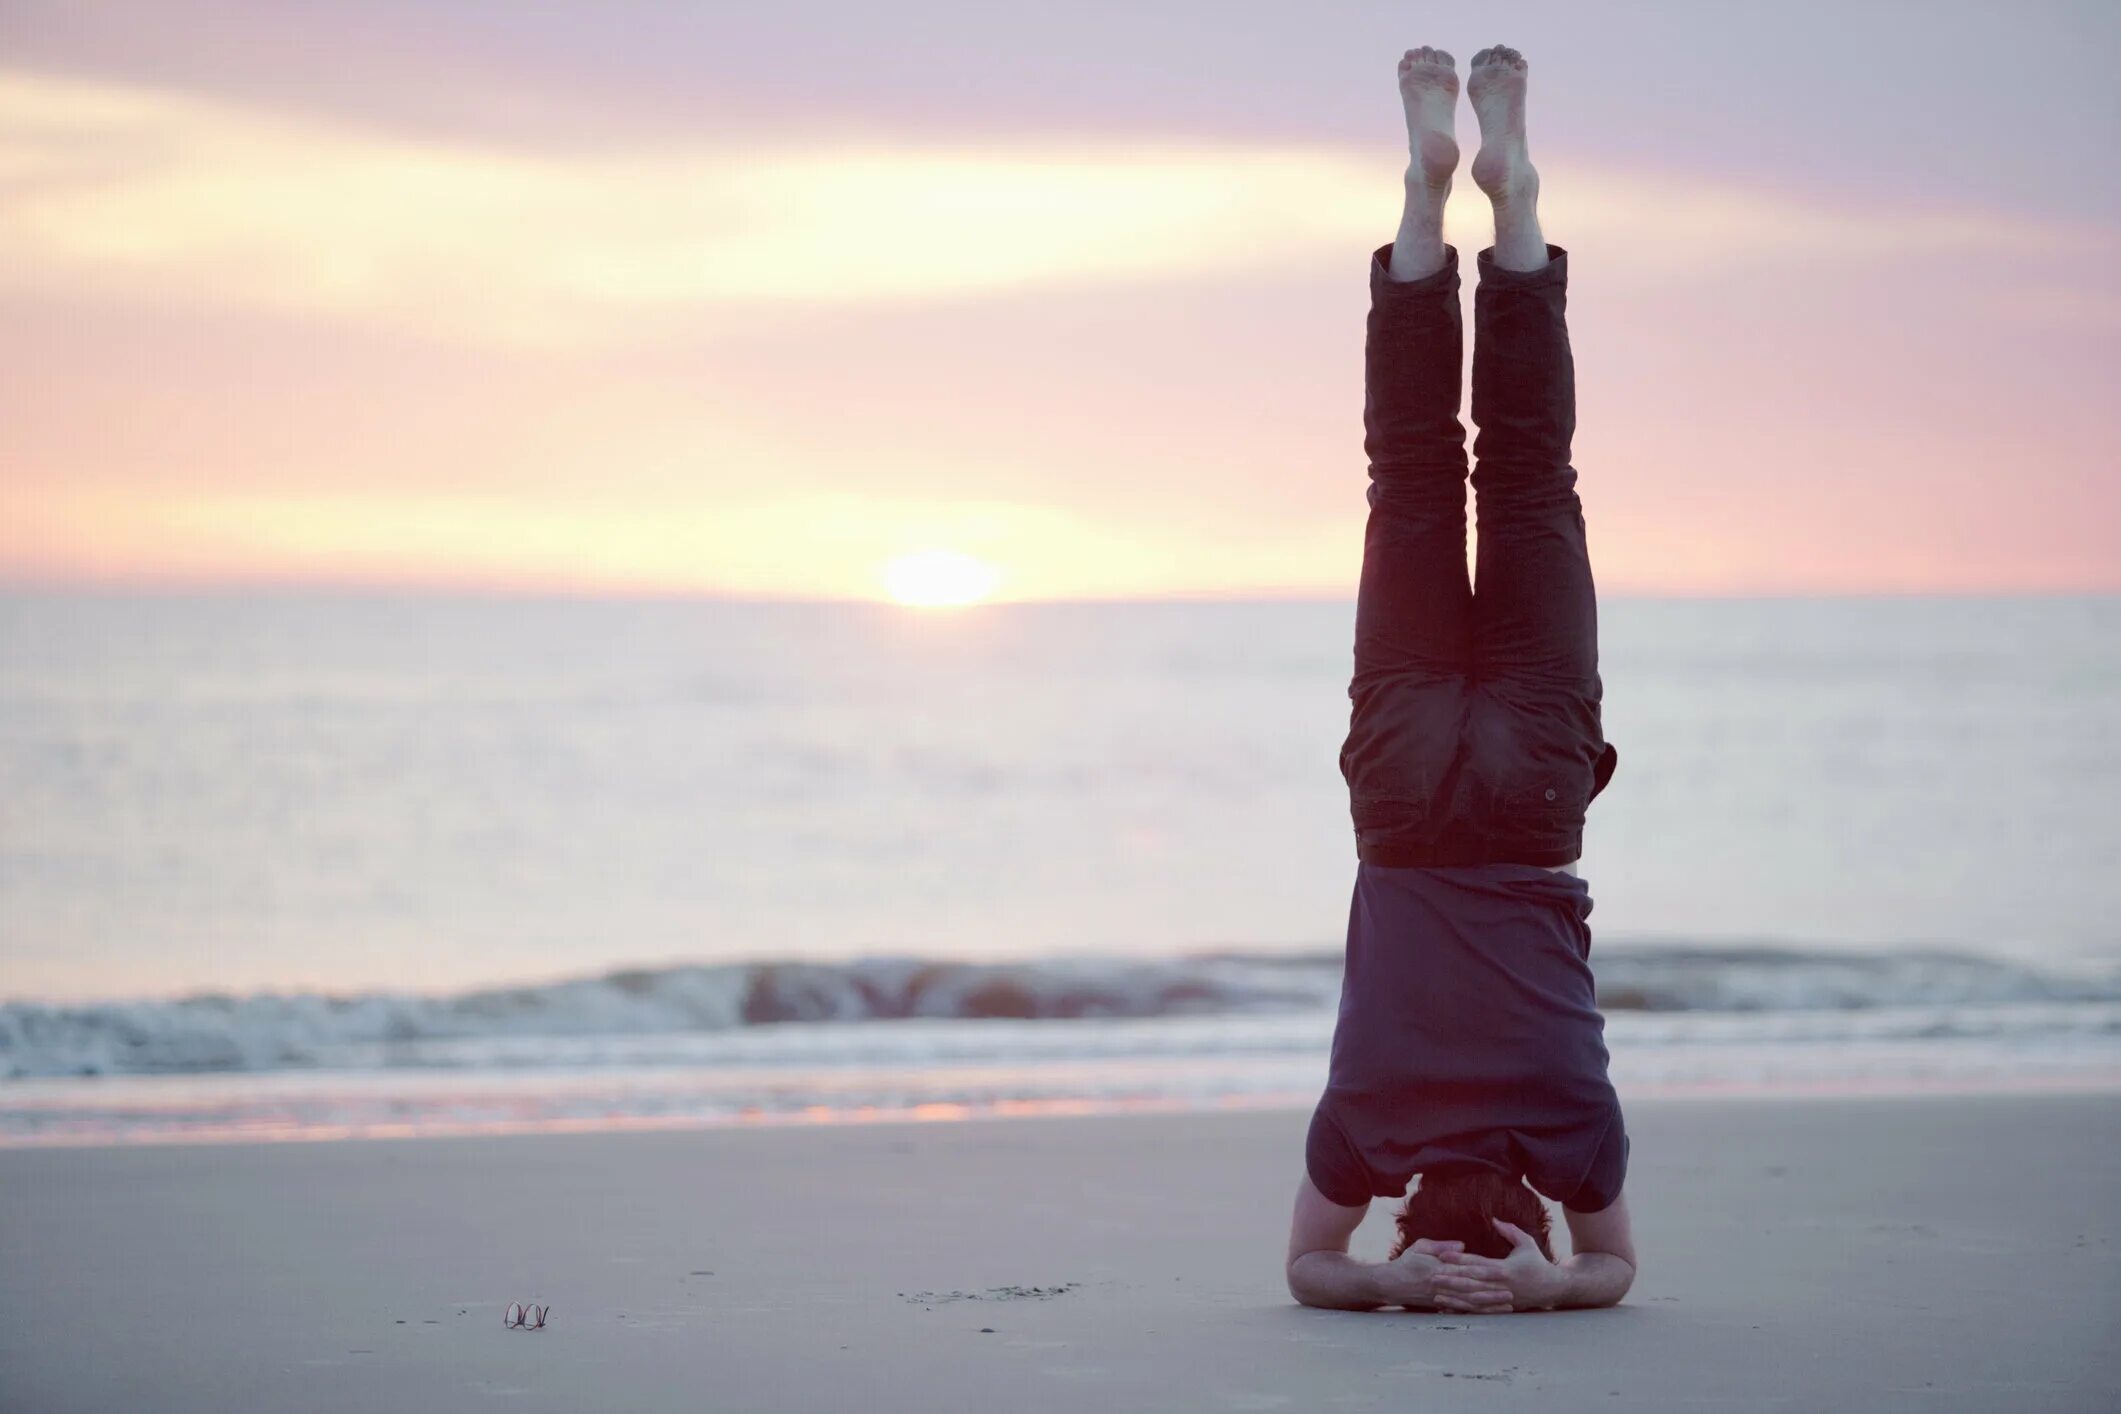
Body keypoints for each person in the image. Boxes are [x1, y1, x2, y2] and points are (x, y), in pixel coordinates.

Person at [1283, 44, 1638, 1315]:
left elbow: (1617, 1270)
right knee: (1416, 475)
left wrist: (1549, 1289)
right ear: (1408, 1214)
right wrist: (1384, 1289)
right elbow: (1307, 1269)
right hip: (1402, 803)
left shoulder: (1574, 1134)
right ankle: (1426, 206)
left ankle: (1517, 205)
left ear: (1530, 1206)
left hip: (1532, 795)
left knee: (1532, 475)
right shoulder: (1361, 1134)